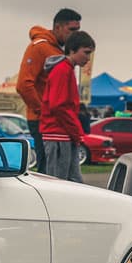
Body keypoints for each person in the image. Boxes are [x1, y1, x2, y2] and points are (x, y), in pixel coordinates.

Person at [18, 7, 81, 171]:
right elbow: (24, 85)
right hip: (43, 120)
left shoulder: (59, 50)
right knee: (49, 170)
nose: (75, 34)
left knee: (60, 168)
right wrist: (43, 110)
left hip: (55, 120)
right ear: (58, 27)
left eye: (78, 30)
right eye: (71, 30)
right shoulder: (39, 47)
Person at [40, 31, 95, 182]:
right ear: (72, 50)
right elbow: (58, 106)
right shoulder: (62, 70)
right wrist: (76, 131)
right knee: (60, 183)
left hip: (63, 134)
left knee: (73, 181)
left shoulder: (67, 69)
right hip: (58, 134)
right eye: (86, 52)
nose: (88, 58)